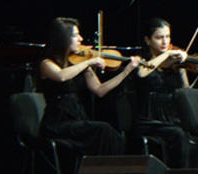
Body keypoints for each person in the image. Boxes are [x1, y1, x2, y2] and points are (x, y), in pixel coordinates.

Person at [38, 18, 136, 164]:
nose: (81, 39)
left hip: (77, 120)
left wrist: (125, 72)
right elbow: (61, 76)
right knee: (103, 131)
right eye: (75, 35)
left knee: (113, 135)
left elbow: (99, 90)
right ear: (63, 38)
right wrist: (89, 62)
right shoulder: (46, 64)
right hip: (57, 123)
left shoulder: (80, 63)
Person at [133, 18, 195, 167]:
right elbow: (142, 73)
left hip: (172, 117)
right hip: (149, 119)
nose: (165, 42)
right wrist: (166, 55)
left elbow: (185, 91)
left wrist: (182, 70)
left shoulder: (174, 64)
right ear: (148, 40)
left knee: (192, 132)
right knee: (178, 135)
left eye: (167, 37)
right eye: (159, 37)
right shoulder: (141, 61)